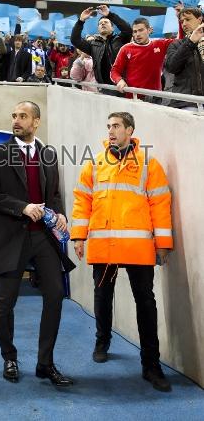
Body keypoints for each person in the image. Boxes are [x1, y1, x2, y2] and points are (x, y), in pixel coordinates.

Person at [71, 112, 173, 392]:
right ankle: (102, 340)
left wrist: (163, 243)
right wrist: (78, 236)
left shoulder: (148, 164)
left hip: (138, 246)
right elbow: (82, 202)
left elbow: (160, 204)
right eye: (108, 127)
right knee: (102, 296)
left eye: (116, 126)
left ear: (130, 130)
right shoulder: (94, 164)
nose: (111, 131)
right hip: (105, 246)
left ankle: (151, 365)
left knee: (146, 304)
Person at [0, 101, 75, 386]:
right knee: (6, 301)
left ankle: (45, 363)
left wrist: (60, 215)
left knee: (55, 295)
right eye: (14, 116)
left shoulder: (47, 154)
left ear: (36, 122)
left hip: (43, 236)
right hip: (10, 235)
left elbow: (54, 193)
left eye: (23, 116)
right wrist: (22, 207)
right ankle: (9, 357)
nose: (16, 120)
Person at [110, 17, 181, 96]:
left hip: (155, 97)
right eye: (135, 31)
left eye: (141, 30)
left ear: (149, 30)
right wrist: (119, 80)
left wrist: (180, 20)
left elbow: (180, 42)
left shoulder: (160, 44)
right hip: (133, 98)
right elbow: (114, 71)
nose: (137, 34)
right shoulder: (125, 49)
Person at [71, 4, 132, 91]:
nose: (102, 23)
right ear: (98, 29)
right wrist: (81, 21)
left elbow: (128, 30)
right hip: (103, 88)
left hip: (121, 86)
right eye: (100, 23)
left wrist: (109, 15)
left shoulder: (120, 39)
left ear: (113, 28)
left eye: (106, 22)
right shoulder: (92, 45)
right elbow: (75, 40)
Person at [164, 7, 204, 109]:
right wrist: (190, 42)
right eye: (182, 21)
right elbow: (172, 67)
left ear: (199, 20)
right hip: (186, 103)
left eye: (188, 19)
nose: (184, 24)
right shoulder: (176, 44)